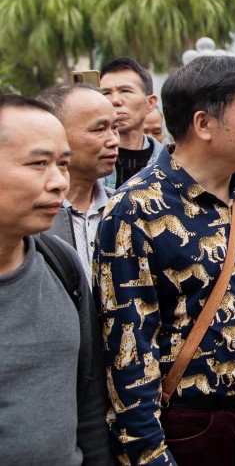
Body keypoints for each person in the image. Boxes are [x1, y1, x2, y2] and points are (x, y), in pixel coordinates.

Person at [95, 55, 235, 466]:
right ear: (204, 124)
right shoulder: (135, 209)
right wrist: (148, 454)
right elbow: (128, 346)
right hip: (201, 427)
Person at [0, 95, 114, 466]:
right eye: (38, 164)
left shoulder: (60, 262)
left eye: (62, 164)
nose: (58, 183)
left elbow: (90, 404)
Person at [36, 83, 120, 276]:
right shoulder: (29, 222)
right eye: (99, 129)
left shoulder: (125, 209)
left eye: (115, 127)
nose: (114, 140)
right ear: (55, 133)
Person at [99, 57, 163, 188]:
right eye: (106, 92)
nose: (115, 100)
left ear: (150, 103)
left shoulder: (170, 163)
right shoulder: (87, 162)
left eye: (125, 91)